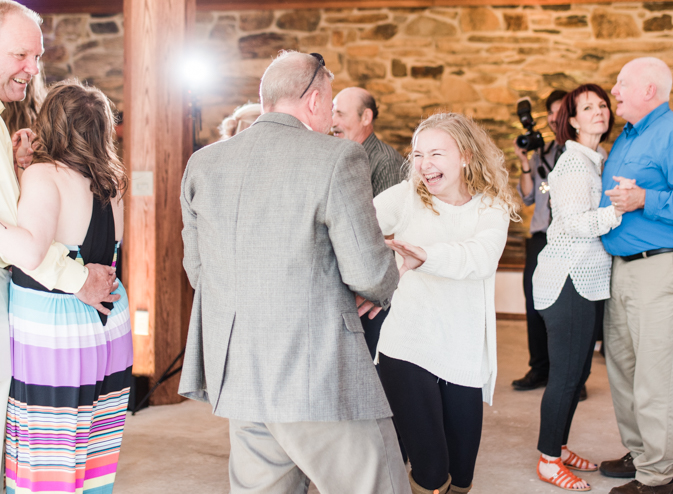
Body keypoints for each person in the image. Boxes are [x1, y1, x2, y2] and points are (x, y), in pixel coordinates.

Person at [178, 50, 409, 494]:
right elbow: (369, 273)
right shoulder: (338, 158)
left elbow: (198, 270)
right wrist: (388, 274)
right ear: (315, 101)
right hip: (318, 371)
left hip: (240, 372)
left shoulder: (203, 163)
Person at [0, 0, 118, 489]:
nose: (33, 68)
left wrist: (18, 166)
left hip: (48, 320)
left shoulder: (38, 168)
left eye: (37, 56)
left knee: (44, 448)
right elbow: (23, 245)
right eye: (21, 55)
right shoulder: (104, 181)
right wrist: (75, 277)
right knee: (76, 444)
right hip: (86, 321)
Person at [374, 113, 518, 494]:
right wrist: (369, 281)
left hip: (463, 351)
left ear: (466, 156)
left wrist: (425, 256)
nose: (424, 165)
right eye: (418, 154)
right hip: (407, 343)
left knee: (462, 474)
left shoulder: (491, 207)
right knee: (432, 471)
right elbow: (354, 226)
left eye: (436, 153)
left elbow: (481, 257)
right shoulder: (406, 196)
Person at [599, 57, 673, 494]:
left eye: (621, 84)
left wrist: (644, 199)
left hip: (663, 266)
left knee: (654, 376)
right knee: (624, 371)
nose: (613, 92)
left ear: (649, 90)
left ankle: (660, 478)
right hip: (623, 268)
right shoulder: (627, 138)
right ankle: (642, 454)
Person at [532, 84, 622, 492]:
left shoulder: (595, 160)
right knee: (566, 375)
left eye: (602, 105)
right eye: (588, 107)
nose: (599, 111)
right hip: (567, 279)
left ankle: (560, 445)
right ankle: (549, 460)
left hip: (586, 280)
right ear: (572, 120)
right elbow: (573, 223)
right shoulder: (571, 165)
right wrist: (617, 209)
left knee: (579, 371)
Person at [513, 90, 606, 401]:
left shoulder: (583, 154)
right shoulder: (541, 152)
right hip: (542, 235)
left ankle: (572, 376)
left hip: (577, 239)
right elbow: (527, 197)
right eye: (550, 114)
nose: (553, 119)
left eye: (558, 112)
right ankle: (540, 367)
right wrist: (525, 163)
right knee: (536, 305)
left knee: (577, 312)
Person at [331, 86, 406, 358]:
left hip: (371, 292)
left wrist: (371, 291)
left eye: (340, 114)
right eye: (331, 113)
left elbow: (389, 236)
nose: (333, 122)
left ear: (366, 117)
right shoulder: (341, 156)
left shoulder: (385, 162)